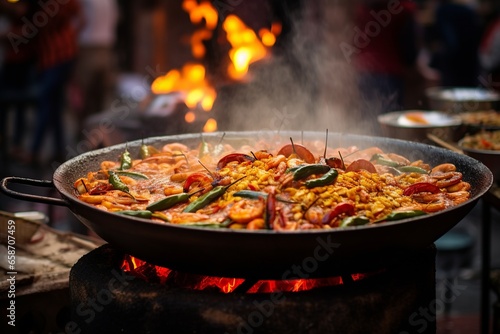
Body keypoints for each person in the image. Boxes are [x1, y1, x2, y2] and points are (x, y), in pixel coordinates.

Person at [27, 0, 83, 165]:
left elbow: (80, 18)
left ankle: (34, 152)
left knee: (46, 103)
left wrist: (70, 37)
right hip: (55, 57)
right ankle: (58, 151)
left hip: (58, 57)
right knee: (54, 105)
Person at [352, 0, 420, 132]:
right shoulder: (403, 8)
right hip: (389, 75)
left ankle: (369, 146)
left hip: (364, 71)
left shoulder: (363, 6)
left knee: (368, 118)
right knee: (388, 123)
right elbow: (409, 50)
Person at [72, 0, 119, 137]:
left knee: (83, 95)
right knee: (100, 96)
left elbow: (80, 21)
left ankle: (83, 133)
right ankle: (98, 134)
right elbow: (115, 19)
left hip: (88, 48)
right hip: (106, 48)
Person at [0, 0, 37, 162]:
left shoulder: (33, 9)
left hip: (24, 61)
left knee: (20, 104)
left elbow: (26, 27)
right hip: (10, 61)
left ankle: (17, 145)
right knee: (5, 105)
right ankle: (5, 143)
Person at [427, 0, 481, 87]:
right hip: (470, 62)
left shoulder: (443, 11)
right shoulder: (468, 11)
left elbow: (450, 41)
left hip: (452, 64)